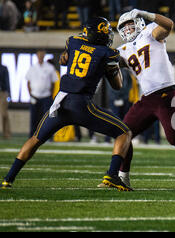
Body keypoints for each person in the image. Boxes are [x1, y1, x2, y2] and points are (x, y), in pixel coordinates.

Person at [1, 17, 133, 191]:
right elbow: (118, 85)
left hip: (60, 102)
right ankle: (112, 175)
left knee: (35, 139)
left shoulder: (74, 41)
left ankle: (8, 179)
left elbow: (64, 59)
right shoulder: (108, 54)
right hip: (81, 105)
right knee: (124, 132)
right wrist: (118, 66)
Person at [108, 9, 175, 191]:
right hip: (147, 98)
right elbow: (110, 68)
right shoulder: (123, 50)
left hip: (167, 94)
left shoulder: (150, 32)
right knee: (123, 134)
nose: (128, 29)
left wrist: (145, 13)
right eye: (124, 27)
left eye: (130, 24)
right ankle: (123, 177)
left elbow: (168, 25)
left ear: (139, 22)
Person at [25, 49, 58, 138]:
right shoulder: (32, 68)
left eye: (42, 54)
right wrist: (30, 95)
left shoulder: (49, 67)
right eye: (39, 54)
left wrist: (50, 94)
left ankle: (47, 136)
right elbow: (28, 82)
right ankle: (32, 136)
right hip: (35, 96)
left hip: (46, 96)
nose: (40, 56)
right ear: (37, 55)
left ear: (44, 55)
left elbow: (53, 82)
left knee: (47, 118)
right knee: (34, 118)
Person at [0, 63, 11, 139]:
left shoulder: (3, 68)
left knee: (4, 113)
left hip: (3, 92)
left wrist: (9, 94)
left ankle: (7, 134)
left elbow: (7, 81)